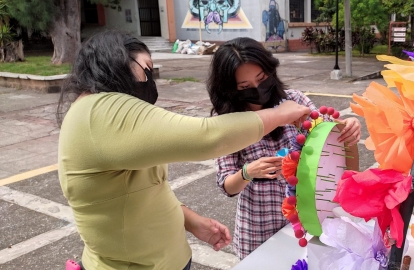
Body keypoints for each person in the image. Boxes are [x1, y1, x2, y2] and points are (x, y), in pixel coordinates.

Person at [57, 31, 310, 270]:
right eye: (146, 69)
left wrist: (189, 220)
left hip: (166, 260)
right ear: (116, 62)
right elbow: (207, 137)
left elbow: (145, 188)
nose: (150, 77)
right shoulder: (100, 113)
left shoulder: (107, 117)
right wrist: (278, 115)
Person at [207, 37, 362, 259]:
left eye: (262, 78)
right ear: (231, 90)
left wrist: (346, 127)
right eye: (245, 87)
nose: (257, 89)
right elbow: (227, 186)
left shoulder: (293, 100)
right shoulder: (229, 122)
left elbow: (325, 132)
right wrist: (248, 172)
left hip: (306, 219)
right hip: (258, 226)